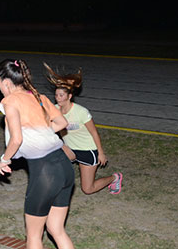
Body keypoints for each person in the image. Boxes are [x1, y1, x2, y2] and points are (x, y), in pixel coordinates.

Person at [0, 59, 88, 249]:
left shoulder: (9, 101)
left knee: (34, 235)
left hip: (44, 172)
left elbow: (15, 139)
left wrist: (4, 160)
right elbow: (61, 123)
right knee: (57, 229)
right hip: (64, 167)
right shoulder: (38, 97)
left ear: (6, 82)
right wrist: (41, 128)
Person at [44, 63, 122, 195]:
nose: (58, 98)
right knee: (51, 159)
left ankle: (115, 178)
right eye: (56, 95)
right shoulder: (55, 109)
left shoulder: (81, 112)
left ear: (69, 96)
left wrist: (101, 153)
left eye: (61, 95)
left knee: (87, 189)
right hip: (69, 147)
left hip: (87, 150)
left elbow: (94, 132)